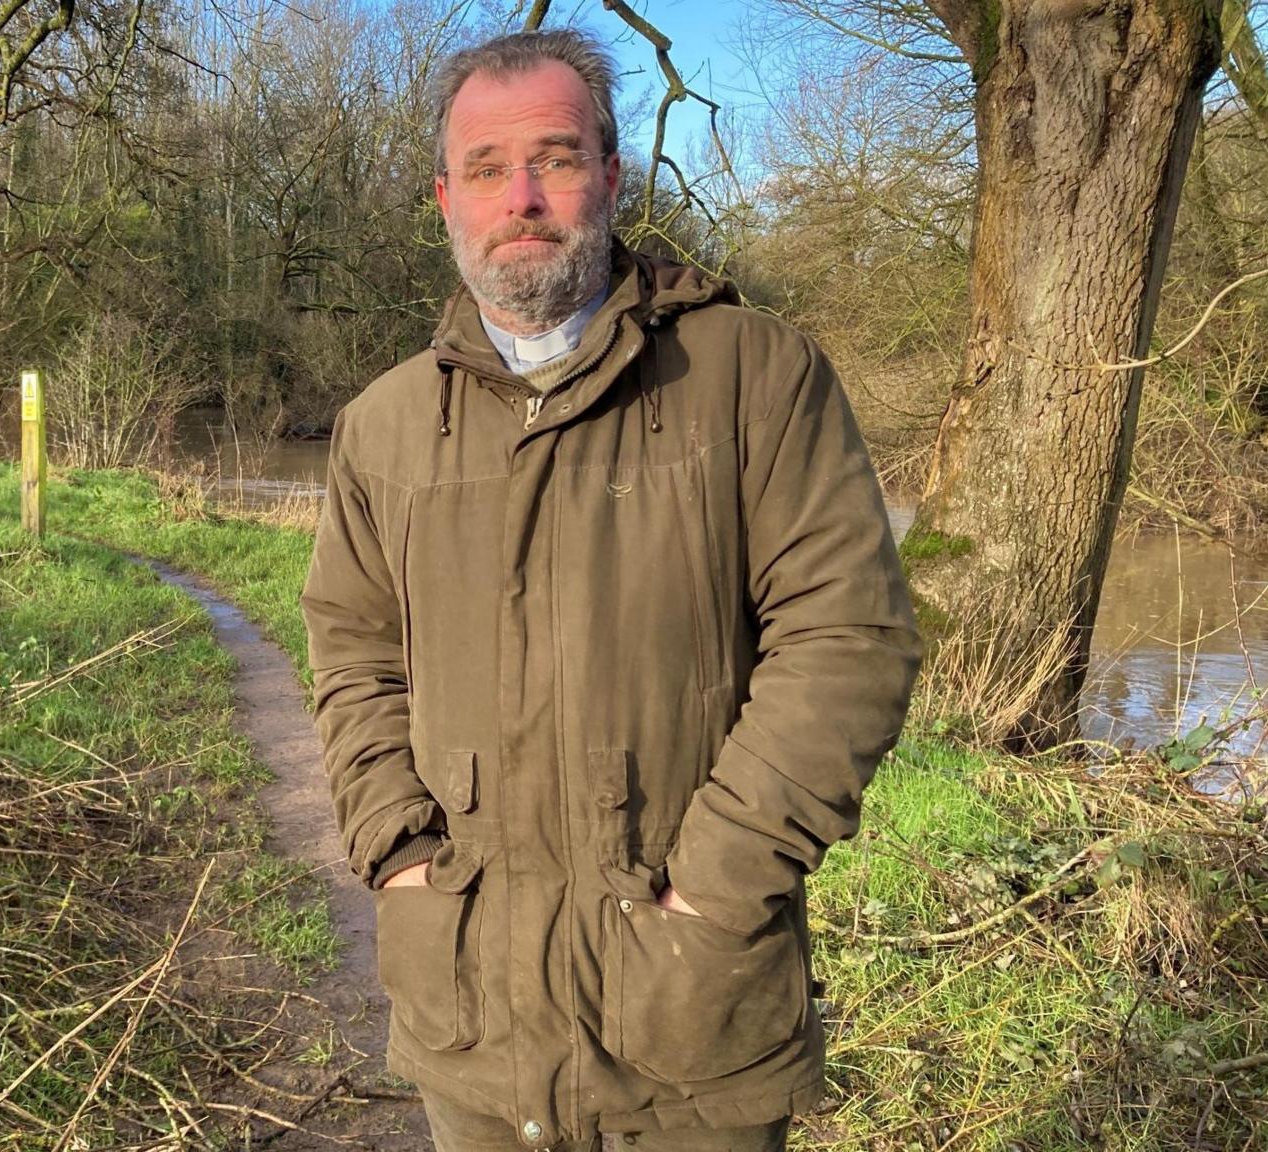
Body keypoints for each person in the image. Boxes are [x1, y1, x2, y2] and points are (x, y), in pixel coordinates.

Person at [298, 28, 922, 1152]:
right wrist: (397, 855)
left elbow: (846, 640)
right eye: (485, 168)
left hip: (687, 1011)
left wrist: (715, 890)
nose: (520, 196)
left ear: (612, 175)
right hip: (467, 1011)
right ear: (444, 196)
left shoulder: (752, 375)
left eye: (555, 157)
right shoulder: (381, 428)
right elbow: (352, 654)